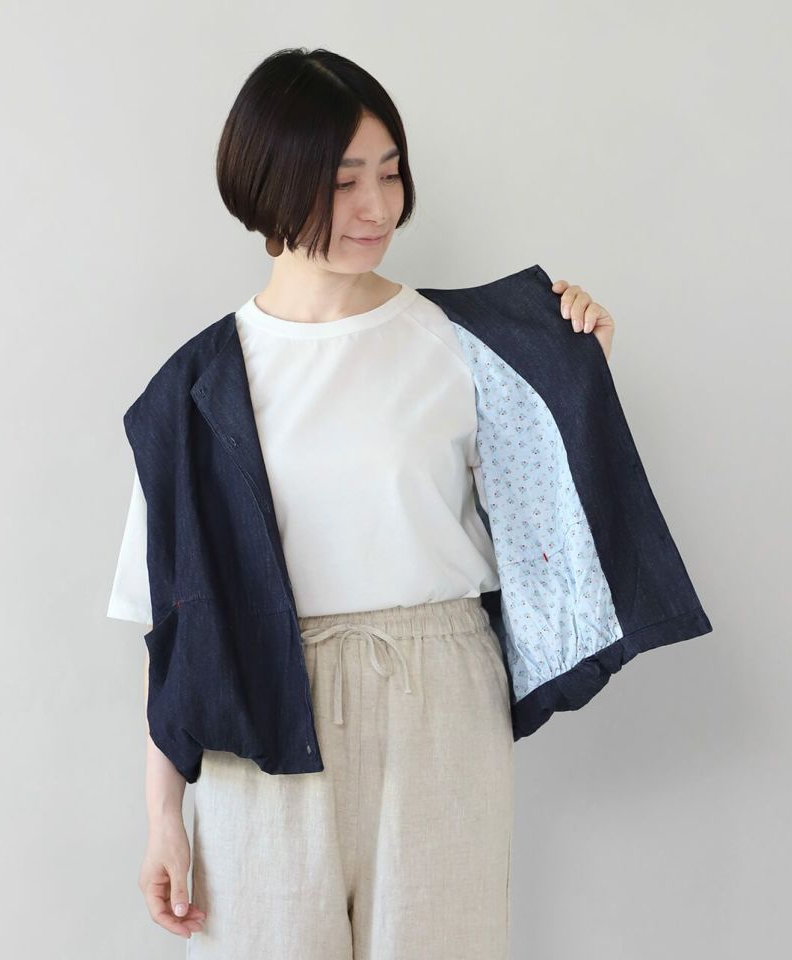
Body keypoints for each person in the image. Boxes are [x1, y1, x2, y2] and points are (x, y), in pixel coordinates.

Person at [107, 46, 613, 958]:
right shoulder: (194, 390)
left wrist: (572, 366)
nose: (377, 206)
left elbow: (553, 524)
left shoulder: (465, 342)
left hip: (438, 697)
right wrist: (162, 815)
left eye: (390, 172)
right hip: (256, 711)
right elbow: (172, 626)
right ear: (269, 183)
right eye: (342, 182)